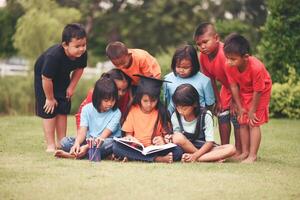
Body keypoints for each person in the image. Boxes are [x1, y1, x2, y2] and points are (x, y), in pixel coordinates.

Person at [34, 23, 88, 152]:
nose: (82, 49)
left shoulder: (82, 54)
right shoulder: (53, 56)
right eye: (77, 46)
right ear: (65, 45)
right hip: (44, 79)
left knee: (62, 107)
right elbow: (46, 78)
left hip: (63, 76)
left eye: (84, 45)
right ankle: (51, 145)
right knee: (50, 109)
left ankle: (61, 142)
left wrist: (71, 87)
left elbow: (80, 69)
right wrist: (50, 98)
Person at [194, 22, 241, 155]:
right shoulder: (202, 57)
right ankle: (224, 149)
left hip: (239, 88)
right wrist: (218, 100)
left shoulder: (225, 54)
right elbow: (210, 80)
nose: (202, 47)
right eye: (198, 44)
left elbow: (235, 81)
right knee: (222, 114)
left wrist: (234, 101)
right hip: (227, 88)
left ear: (216, 38)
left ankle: (239, 150)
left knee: (236, 116)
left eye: (205, 42)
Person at [223, 33, 272, 163]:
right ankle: (245, 152)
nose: (228, 62)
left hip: (261, 91)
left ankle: (252, 155)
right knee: (242, 120)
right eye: (227, 58)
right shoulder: (229, 65)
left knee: (253, 122)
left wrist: (252, 110)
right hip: (245, 90)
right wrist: (240, 107)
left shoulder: (256, 67)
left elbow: (258, 90)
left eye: (232, 59)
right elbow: (233, 86)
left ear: (245, 57)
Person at [112, 75, 183, 163]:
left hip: (155, 149)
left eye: (153, 101)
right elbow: (128, 135)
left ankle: (134, 157)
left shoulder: (161, 112)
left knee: (178, 151)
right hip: (136, 148)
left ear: (157, 99)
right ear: (139, 98)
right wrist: (130, 139)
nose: (149, 105)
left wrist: (163, 140)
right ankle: (156, 159)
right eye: (145, 101)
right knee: (116, 147)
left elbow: (167, 136)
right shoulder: (133, 110)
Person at [54, 77, 121, 159]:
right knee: (65, 142)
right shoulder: (86, 109)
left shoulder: (117, 113)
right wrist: (77, 144)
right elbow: (82, 132)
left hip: (105, 141)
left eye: (113, 100)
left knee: (113, 144)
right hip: (90, 141)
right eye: (106, 100)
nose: (110, 104)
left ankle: (74, 155)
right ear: (98, 98)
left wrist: (86, 147)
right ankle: (85, 153)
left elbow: (104, 136)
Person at [171, 84, 236, 162]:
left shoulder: (205, 115)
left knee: (231, 149)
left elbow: (209, 142)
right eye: (178, 108)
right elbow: (177, 139)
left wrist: (195, 155)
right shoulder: (175, 116)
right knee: (177, 137)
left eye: (185, 108)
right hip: (185, 148)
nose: (181, 111)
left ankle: (198, 158)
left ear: (194, 104)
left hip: (204, 148)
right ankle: (210, 158)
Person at [163, 44, 215, 114]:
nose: (181, 70)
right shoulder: (167, 79)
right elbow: (166, 102)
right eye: (178, 66)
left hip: (198, 119)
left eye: (186, 67)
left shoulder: (204, 81)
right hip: (175, 120)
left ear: (194, 65)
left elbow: (210, 104)